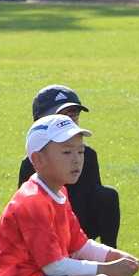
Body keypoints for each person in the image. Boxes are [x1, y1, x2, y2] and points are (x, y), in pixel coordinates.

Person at [0, 114, 139, 276]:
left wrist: (112, 256)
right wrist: (106, 268)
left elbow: (78, 244)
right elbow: (53, 267)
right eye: (67, 152)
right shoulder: (32, 201)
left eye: (80, 151)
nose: (77, 159)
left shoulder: (59, 191)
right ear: (38, 160)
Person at [19, 85, 121, 247]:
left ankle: (109, 253)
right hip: (46, 231)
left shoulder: (87, 155)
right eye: (62, 116)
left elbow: (90, 199)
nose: (70, 121)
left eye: (74, 114)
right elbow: (27, 212)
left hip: (78, 227)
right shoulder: (32, 161)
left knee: (107, 196)